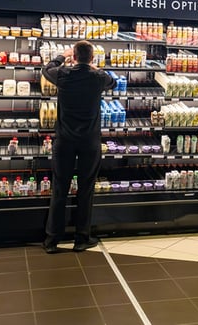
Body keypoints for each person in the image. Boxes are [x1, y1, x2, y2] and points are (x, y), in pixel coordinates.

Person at [41, 40, 116, 253]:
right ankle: (82, 239)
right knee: (86, 190)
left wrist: (61, 57)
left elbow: (46, 70)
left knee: (59, 189)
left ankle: (51, 241)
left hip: (64, 140)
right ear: (92, 59)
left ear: (73, 57)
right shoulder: (98, 77)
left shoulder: (63, 75)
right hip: (89, 142)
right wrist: (92, 67)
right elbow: (112, 82)